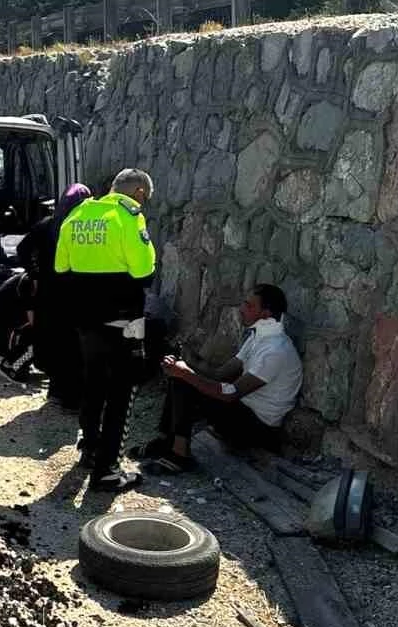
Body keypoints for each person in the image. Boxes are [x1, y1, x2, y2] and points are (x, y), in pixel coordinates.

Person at [54, 168, 157, 491]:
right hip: (122, 323)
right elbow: (144, 273)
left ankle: (89, 448)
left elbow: (61, 267)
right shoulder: (128, 217)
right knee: (121, 394)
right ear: (139, 192)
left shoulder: (79, 214)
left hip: (86, 323)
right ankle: (108, 469)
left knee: (93, 385)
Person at [141, 283, 303, 473]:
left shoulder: (276, 351)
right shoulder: (259, 338)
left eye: (249, 306)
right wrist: (185, 363)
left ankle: (179, 455)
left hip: (259, 430)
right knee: (182, 377)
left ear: (266, 314)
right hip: (243, 412)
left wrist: (186, 373)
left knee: (185, 381)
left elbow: (231, 393)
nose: (242, 309)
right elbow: (220, 374)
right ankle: (167, 441)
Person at [16, 182, 91, 405]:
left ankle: (58, 391)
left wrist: (35, 274)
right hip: (74, 292)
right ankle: (72, 396)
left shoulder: (47, 225)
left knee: (54, 340)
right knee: (74, 343)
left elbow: (22, 249)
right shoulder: (84, 227)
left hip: (48, 293)